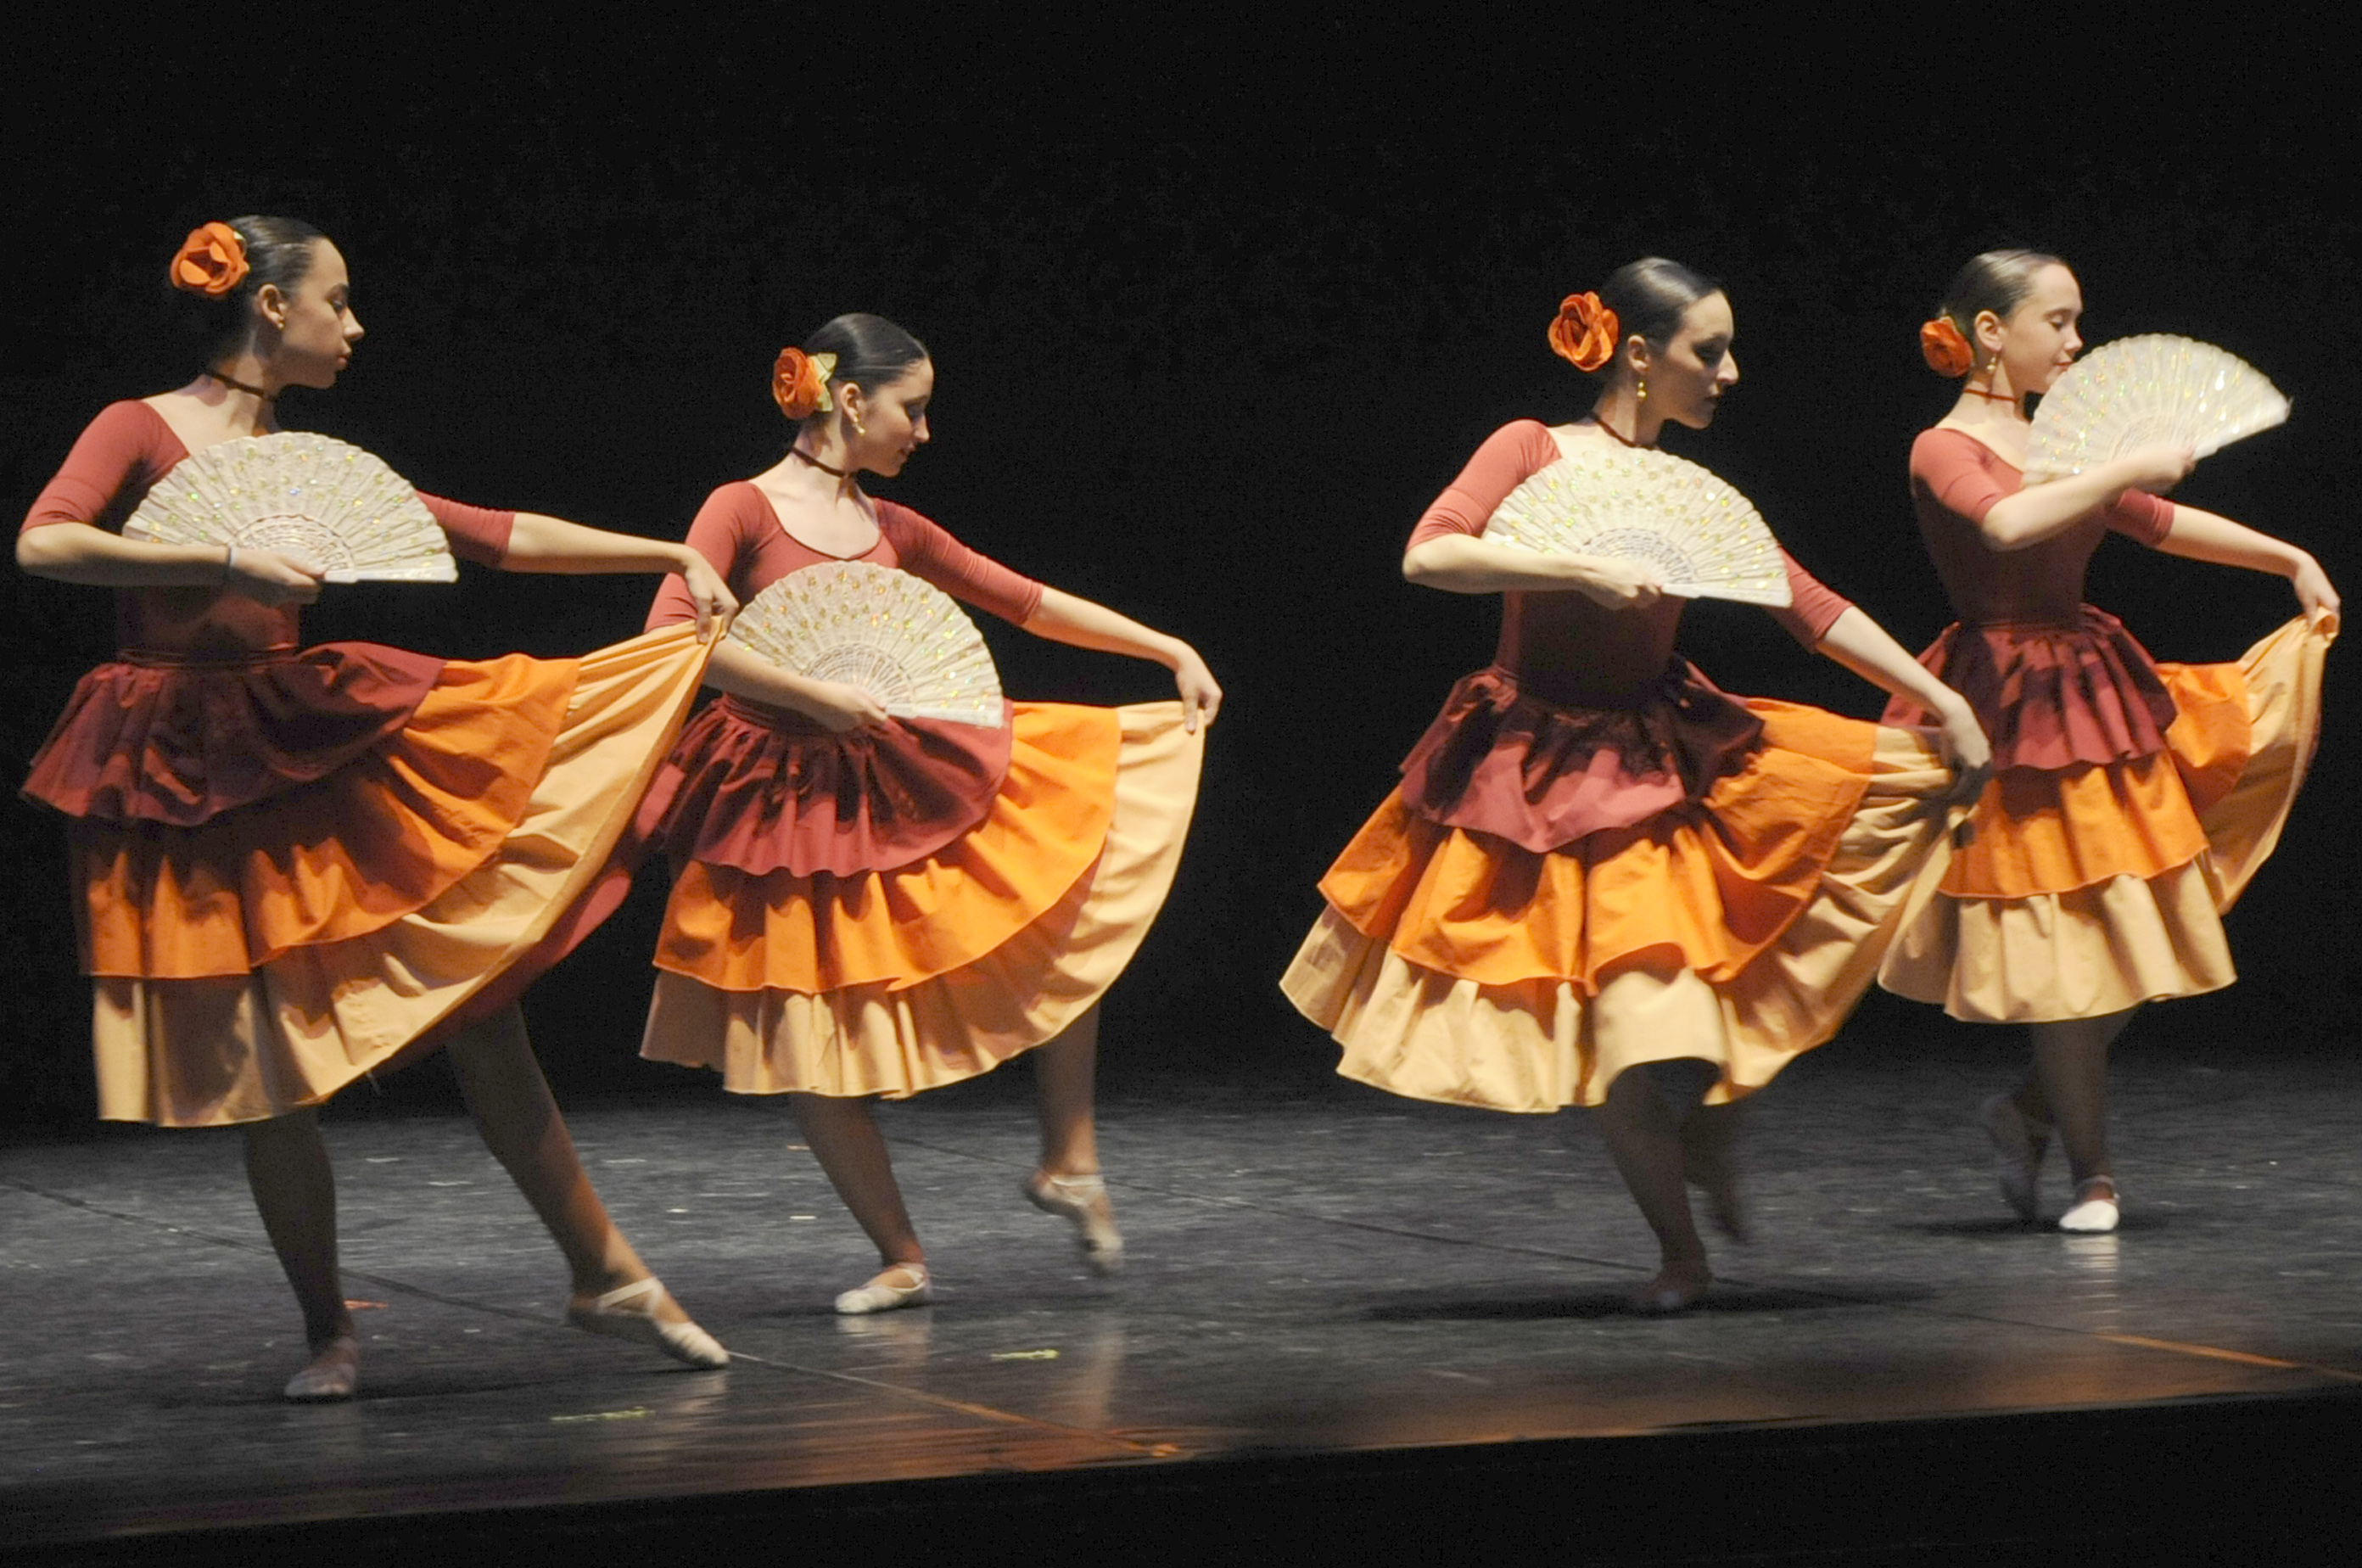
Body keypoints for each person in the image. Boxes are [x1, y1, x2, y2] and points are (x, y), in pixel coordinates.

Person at [16, 216, 743, 1400]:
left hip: (302, 741)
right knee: (270, 1066)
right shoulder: (140, 428)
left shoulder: (310, 460)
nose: (352, 327)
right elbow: (47, 543)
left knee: (479, 1000)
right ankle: (329, 1329)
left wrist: (668, 551)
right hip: (189, 762)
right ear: (269, 308)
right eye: (336, 302)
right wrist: (219, 565)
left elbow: (493, 536)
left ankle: (604, 1273)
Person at [1282, 259, 1992, 1311]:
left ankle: (1710, 1131)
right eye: (1711, 351)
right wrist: (1573, 569)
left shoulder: (1688, 488)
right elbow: (1428, 556)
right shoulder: (1534, 447)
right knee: (1623, 1032)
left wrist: (1947, 700)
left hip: (1667, 750)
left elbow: (1805, 603)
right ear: (1640, 355)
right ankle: (1682, 1253)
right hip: (1544, 772)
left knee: (1745, 975)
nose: (1730, 372)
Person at [634, 314, 1218, 1313]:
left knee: (1064, 898)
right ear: (851, 401)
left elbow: (1025, 600)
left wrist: (1166, 647)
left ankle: (1068, 1156)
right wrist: (812, 695)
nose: (924, 431)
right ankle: (900, 1253)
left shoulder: (893, 528)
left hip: (894, 779)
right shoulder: (743, 509)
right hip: (783, 804)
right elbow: (674, 639)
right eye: (914, 408)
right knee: (803, 1035)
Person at [1881, 249, 2337, 1233]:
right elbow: (2006, 525)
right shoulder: (1940, 446)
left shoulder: (2061, 441)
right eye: (2059, 321)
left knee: (2143, 928)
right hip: (2005, 704)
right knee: (2059, 946)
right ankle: (2094, 1172)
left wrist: (2287, 555)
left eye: (2078, 320)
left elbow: (2157, 522)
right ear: (1991, 332)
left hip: (2093, 693)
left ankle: (2033, 1109)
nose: (2078, 341)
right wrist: (2122, 462)